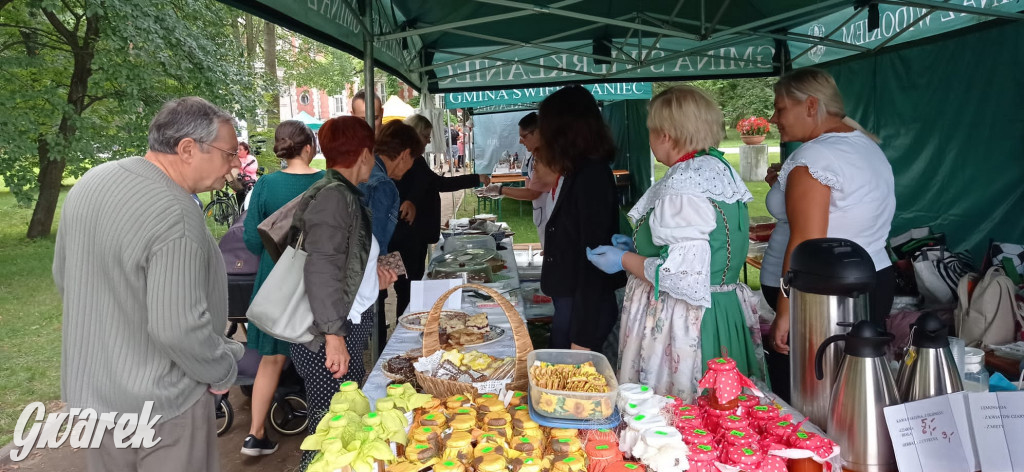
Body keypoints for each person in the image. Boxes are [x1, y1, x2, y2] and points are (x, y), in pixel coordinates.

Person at [53, 97, 245, 471]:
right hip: (164, 407)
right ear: (187, 149)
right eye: (229, 153)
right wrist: (221, 370)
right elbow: (179, 329)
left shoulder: (90, 182)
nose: (235, 165)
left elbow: (66, 278)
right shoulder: (177, 213)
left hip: (95, 403)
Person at [587, 85, 764, 399]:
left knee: (681, 413)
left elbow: (683, 276)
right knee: (725, 410)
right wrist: (638, 249)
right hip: (722, 310)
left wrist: (622, 260)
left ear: (665, 135)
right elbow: (703, 249)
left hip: (687, 321)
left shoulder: (684, 182)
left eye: (651, 131)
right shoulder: (718, 170)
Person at [288, 116, 398, 470]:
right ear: (364, 154)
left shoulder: (341, 193)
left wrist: (373, 281)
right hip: (326, 337)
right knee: (329, 431)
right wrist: (333, 337)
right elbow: (320, 269)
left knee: (342, 423)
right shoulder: (335, 197)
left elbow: (341, 262)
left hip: (337, 326)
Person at [768, 68, 896, 357]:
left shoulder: (814, 157)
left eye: (780, 109)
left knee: (817, 378)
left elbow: (806, 243)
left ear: (811, 105)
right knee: (853, 374)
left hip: (824, 295)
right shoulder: (865, 145)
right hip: (869, 277)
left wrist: (786, 308)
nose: (773, 119)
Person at [239, 120, 324, 456]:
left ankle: (255, 434)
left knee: (271, 359)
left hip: (275, 279)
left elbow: (251, 239)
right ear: (309, 147)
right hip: (316, 277)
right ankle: (324, 429)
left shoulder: (265, 185)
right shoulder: (326, 182)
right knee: (321, 355)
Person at [535, 85, 625, 351]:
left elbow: (594, 259)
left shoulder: (591, 177)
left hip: (583, 309)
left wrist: (582, 338)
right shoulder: (578, 171)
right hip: (571, 302)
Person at [391, 115, 490, 319]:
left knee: (407, 285)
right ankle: (406, 323)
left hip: (408, 234)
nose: (429, 140)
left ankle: (406, 321)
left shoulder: (413, 160)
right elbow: (439, 184)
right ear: (414, 135)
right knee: (408, 286)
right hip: (407, 236)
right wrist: (476, 178)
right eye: (426, 136)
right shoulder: (412, 161)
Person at [479, 112, 562, 247]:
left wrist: (500, 190)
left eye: (524, 136)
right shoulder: (534, 156)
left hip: (552, 218)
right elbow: (529, 188)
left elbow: (533, 193)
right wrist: (501, 190)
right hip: (544, 216)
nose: (520, 141)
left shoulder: (547, 157)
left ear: (538, 133)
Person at [758, 162, 791, 402]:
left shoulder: (815, 160)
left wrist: (785, 307)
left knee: (788, 357)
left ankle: (789, 413)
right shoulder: (802, 158)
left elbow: (802, 238)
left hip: (793, 284)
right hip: (779, 280)